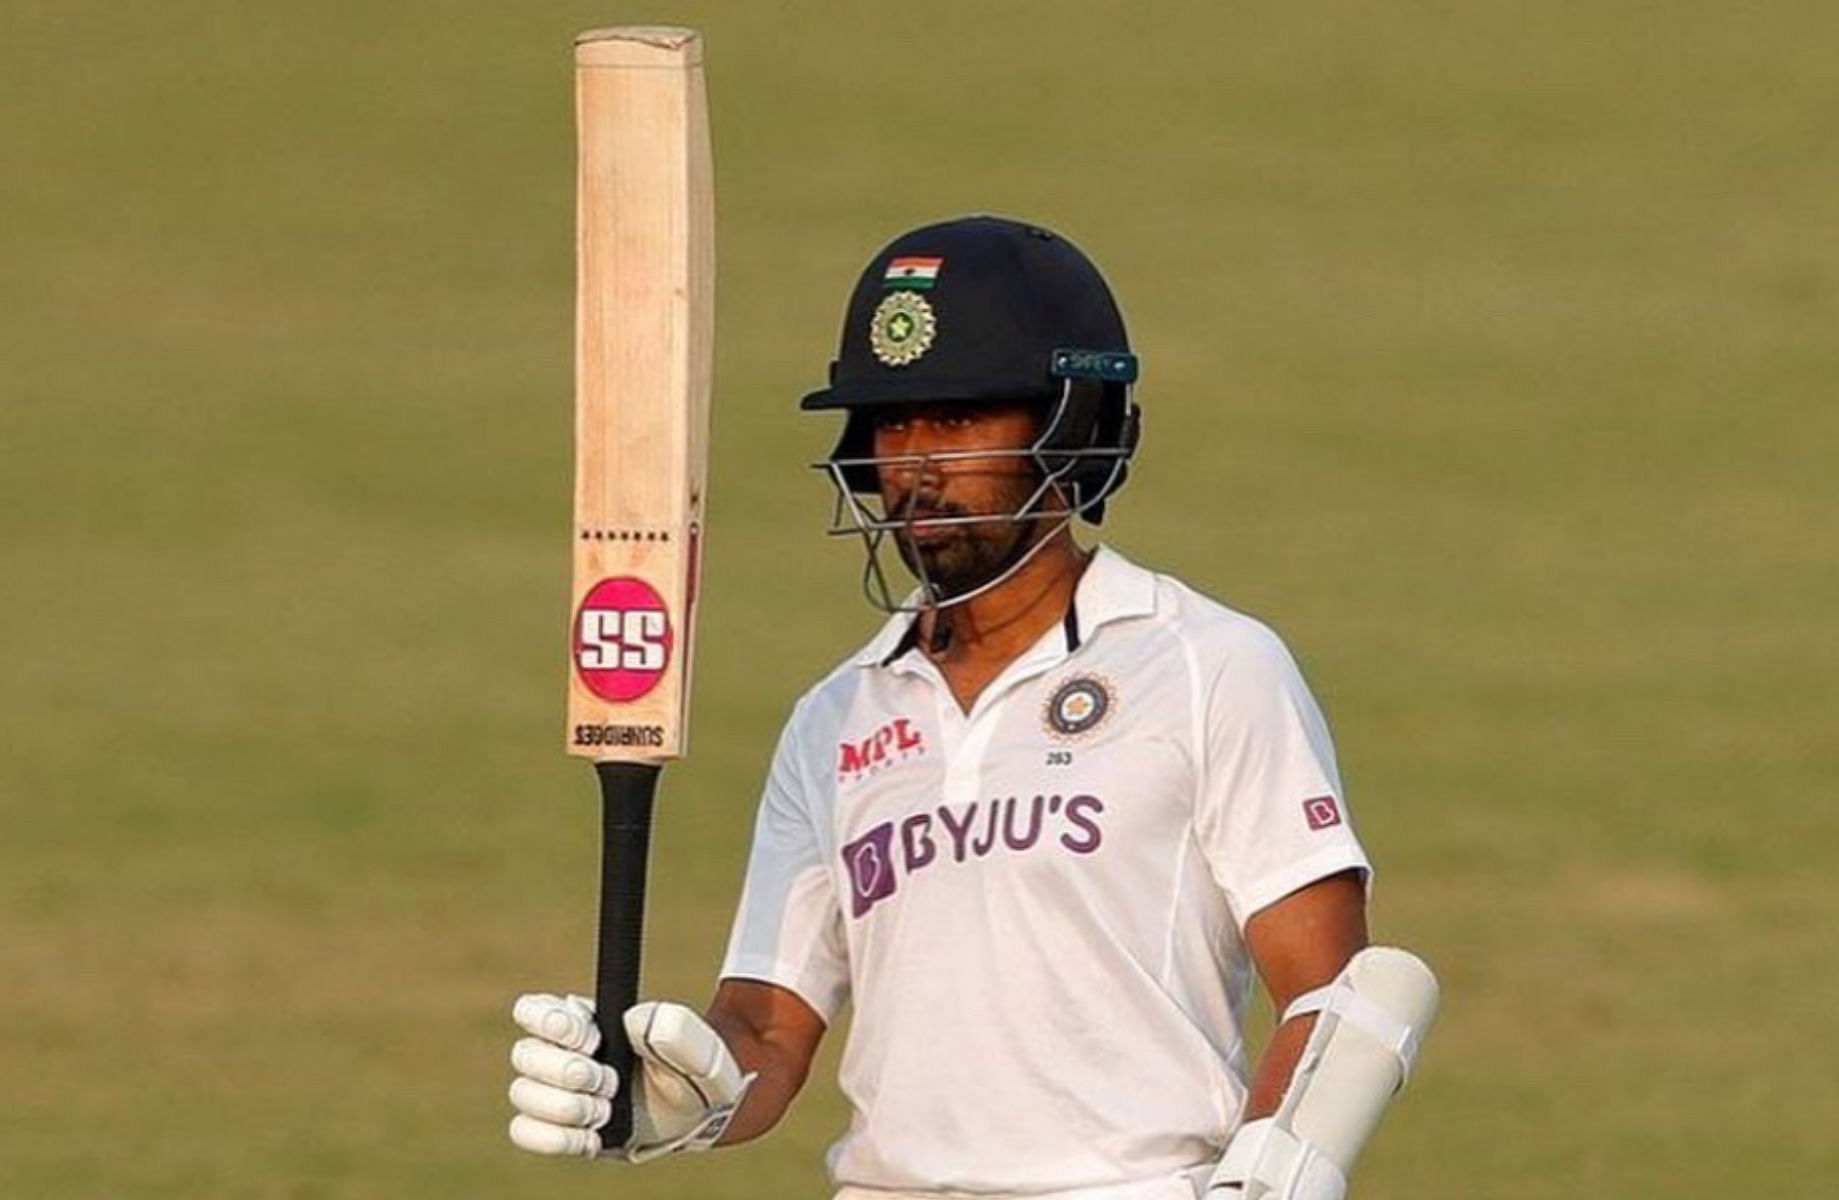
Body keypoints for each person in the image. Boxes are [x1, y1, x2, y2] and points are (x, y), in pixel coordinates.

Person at [507, 216, 1435, 1199]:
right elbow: (770, 1025)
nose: (913, 466)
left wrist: (1273, 1167)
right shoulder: (835, 719)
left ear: (1070, 427)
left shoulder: (1207, 664)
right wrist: (680, 1095)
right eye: (892, 424)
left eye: (957, 419)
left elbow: (1337, 990)